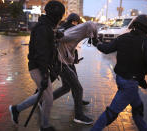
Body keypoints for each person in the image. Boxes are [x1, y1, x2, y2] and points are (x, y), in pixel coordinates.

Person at [90, 14, 147, 131]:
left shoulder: (123, 37)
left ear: (134, 25)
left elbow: (106, 49)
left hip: (122, 79)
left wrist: (97, 43)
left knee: (138, 108)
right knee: (111, 113)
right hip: (130, 84)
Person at [8, 1, 65, 131]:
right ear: (55, 15)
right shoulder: (43, 28)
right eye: (60, 16)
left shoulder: (47, 27)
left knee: (44, 95)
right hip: (37, 67)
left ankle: (16, 109)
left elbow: (47, 44)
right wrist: (45, 75)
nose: (60, 19)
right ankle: (44, 126)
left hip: (41, 67)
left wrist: (56, 36)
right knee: (48, 98)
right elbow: (41, 54)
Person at [52, 20, 98, 125]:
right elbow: (60, 38)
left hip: (66, 61)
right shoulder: (75, 33)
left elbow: (92, 25)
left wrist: (95, 37)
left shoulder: (79, 32)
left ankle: (44, 101)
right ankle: (78, 116)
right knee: (77, 88)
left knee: (67, 87)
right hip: (61, 63)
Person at [53, 13, 90, 107]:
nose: (77, 25)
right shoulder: (71, 28)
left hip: (64, 60)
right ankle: (43, 100)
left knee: (71, 84)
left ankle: (79, 100)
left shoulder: (61, 27)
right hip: (63, 61)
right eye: (77, 22)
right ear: (74, 21)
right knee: (73, 85)